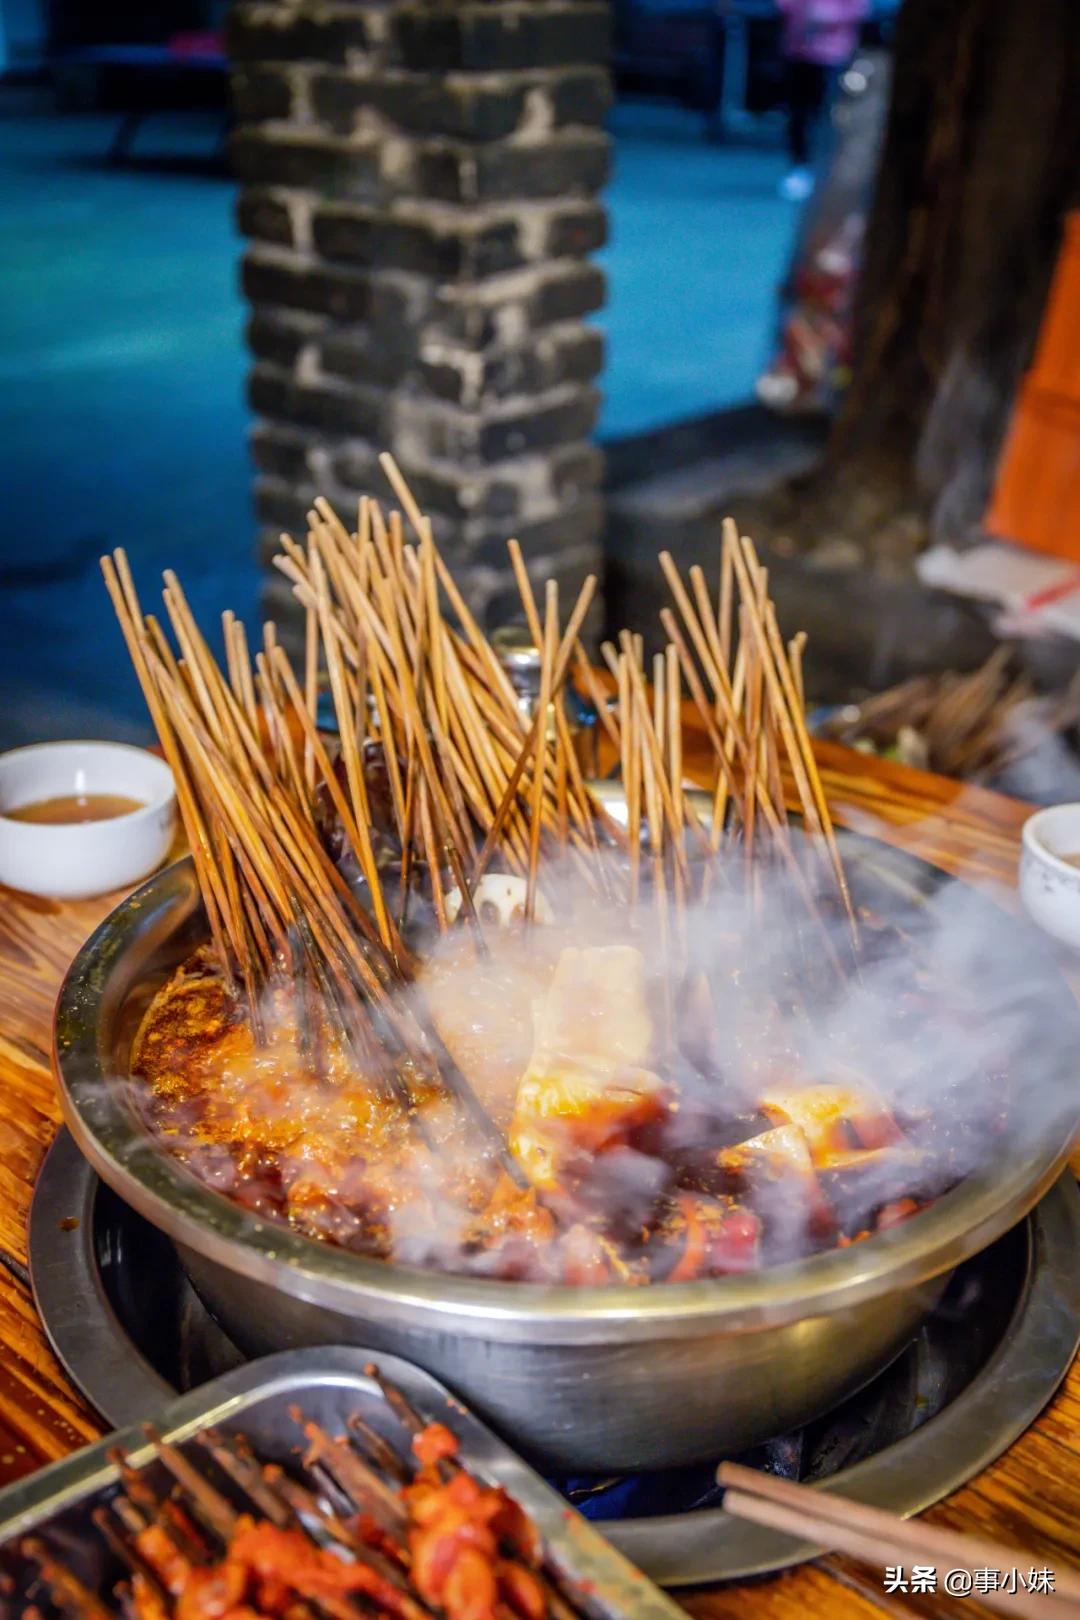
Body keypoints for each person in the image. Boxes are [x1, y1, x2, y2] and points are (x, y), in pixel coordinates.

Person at [777, 0, 868, 201]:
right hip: (798, 52)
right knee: (798, 114)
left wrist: (826, 17)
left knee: (831, 114)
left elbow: (859, 10)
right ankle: (800, 167)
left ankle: (831, 170)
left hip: (834, 55)